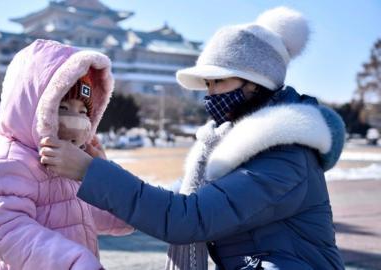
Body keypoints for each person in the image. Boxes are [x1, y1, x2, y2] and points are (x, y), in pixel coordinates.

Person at [40, 7, 346, 270]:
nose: (209, 93)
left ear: (256, 83)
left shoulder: (283, 154)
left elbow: (189, 218)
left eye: (219, 81)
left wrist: (89, 172)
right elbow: (179, 200)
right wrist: (106, 170)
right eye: (207, 84)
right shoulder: (230, 145)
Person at [0, 39, 132, 270]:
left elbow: (92, 211)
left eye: (83, 111)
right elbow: (5, 229)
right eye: (63, 108)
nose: (76, 121)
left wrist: (105, 177)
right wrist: (74, 262)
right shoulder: (8, 160)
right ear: (35, 108)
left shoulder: (68, 159)